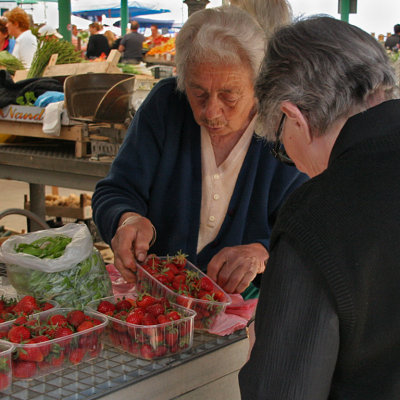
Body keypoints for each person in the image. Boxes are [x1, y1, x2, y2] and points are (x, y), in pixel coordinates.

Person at [92, 3, 307, 298]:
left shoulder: (283, 128)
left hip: (247, 309)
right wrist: (126, 219)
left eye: (228, 95)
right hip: (159, 301)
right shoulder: (166, 105)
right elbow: (115, 191)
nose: (211, 111)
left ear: (258, 85)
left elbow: (308, 229)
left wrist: (262, 251)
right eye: (198, 93)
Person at [239, 16, 400, 399]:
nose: (290, 160)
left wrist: (263, 345)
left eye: (279, 143)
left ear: (294, 117)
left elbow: (284, 389)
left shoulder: (318, 216)